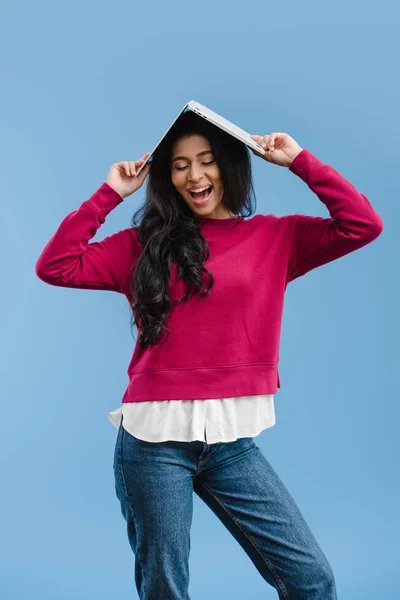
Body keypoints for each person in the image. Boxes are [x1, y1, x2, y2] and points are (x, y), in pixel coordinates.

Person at [35, 110, 383, 599]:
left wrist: (300, 161)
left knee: (312, 579)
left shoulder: (275, 237)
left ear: (229, 166)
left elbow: (362, 225)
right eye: (179, 165)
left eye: (206, 161)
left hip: (230, 443)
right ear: (167, 177)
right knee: (166, 589)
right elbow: (56, 265)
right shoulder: (141, 246)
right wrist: (109, 194)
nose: (195, 176)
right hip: (152, 442)